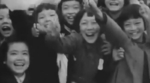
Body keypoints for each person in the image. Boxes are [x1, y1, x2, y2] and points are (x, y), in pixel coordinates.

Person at [84, 0, 150, 83]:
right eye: (127, 25)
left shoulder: (147, 43)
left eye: (137, 23)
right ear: (123, 28)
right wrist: (97, 12)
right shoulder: (125, 44)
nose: (133, 28)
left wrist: (147, 18)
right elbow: (113, 28)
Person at [30, 3, 59, 83]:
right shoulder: (36, 41)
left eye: (52, 15)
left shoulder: (67, 36)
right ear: (36, 22)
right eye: (42, 17)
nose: (47, 19)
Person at [57, 0, 83, 83]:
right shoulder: (56, 33)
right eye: (66, 8)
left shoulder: (89, 32)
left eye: (75, 8)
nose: (71, 12)